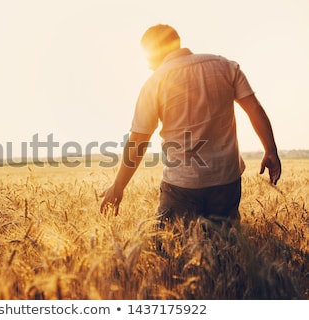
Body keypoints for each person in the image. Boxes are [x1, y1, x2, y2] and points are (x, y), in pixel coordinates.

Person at [100, 24, 281, 225]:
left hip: (181, 184)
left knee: (169, 248)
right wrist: (270, 150)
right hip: (226, 180)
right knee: (225, 247)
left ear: (152, 53)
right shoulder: (226, 66)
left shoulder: (154, 82)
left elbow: (139, 140)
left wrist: (117, 187)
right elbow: (254, 109)